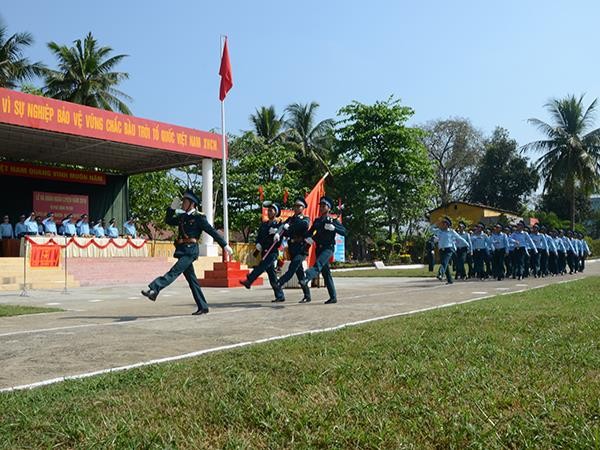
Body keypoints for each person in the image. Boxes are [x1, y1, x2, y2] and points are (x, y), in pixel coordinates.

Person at [142, 190, 233, 315]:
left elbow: (211, 231)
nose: (182, 204)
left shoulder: (199, 217)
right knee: (192, 280)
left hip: (190, 251)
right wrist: (171, 208)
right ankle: (203, 306)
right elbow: (168, 220)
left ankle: (154, 288)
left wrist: (224, 245)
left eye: (185, 201)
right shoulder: (182, 216)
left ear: (192, 203)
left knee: (174, 271)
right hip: (182, 250)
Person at [298, 196, 346, 303]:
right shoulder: (317, 221)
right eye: (321, 206)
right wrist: (308, 237)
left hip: (328, 248)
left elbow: (344, 232)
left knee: (318, 264)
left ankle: (306, 277)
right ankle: (333, 297)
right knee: (326, 273)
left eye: (324, 206)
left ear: (329, 208)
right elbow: (310, 232)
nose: (321, 208)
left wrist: (335, 228)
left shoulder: (333, 220)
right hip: (319, 248)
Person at [239, 201, 286, 302]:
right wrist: (258, 244)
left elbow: (280, 239)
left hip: (272, 251)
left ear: (276, 213)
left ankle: (249, 280)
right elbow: (259, 236)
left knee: (262, 266)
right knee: (272, 275)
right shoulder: (264, 224)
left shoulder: (279, 225)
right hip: (264, 251)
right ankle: (280, 295)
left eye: (271, 210)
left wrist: (277, 234)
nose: (269, 212)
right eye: (268, 210)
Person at [275, 197, 312, 303]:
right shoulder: (290, 220)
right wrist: (278, 232)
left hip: (301, 249)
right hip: (292, 248)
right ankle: (307, 295)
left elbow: (303, 226)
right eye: (295, 206)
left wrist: (289, 228)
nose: (296, 208)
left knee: (292, 268)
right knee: (300, 273)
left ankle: (279, 282)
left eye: (298, 206)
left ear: (303, 208)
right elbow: (283, 228)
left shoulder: (305, 219)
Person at [432, 216, 468, 285]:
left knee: (444, 262)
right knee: (445, 264)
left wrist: (467, 244)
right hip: (441, 250)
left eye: (443, 223)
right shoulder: (439, 231)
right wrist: (435, 224)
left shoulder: (451, 231)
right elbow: (431, 229)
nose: (442, 224)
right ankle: (450, 280)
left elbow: (459, 238)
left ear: (447, 224)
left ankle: (440, 274)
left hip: (449, 249)